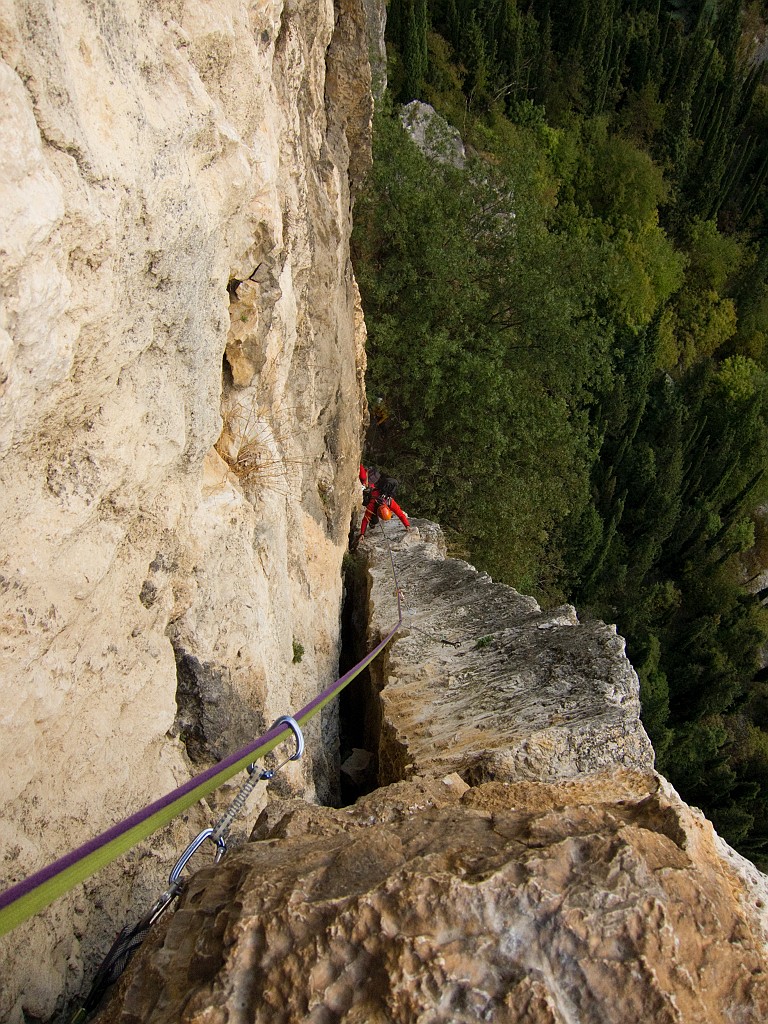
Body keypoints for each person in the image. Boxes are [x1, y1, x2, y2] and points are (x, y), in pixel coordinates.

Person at [357, 464, 410, 540]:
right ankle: (360, 465)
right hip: (371, 489)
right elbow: (365, 520)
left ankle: (373, 522)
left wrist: (407, 525)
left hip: (377, 491)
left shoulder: (389, 502)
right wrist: (362, 533)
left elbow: (400, 514)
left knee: (374, 520)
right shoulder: (372, 505)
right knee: (363, 477)